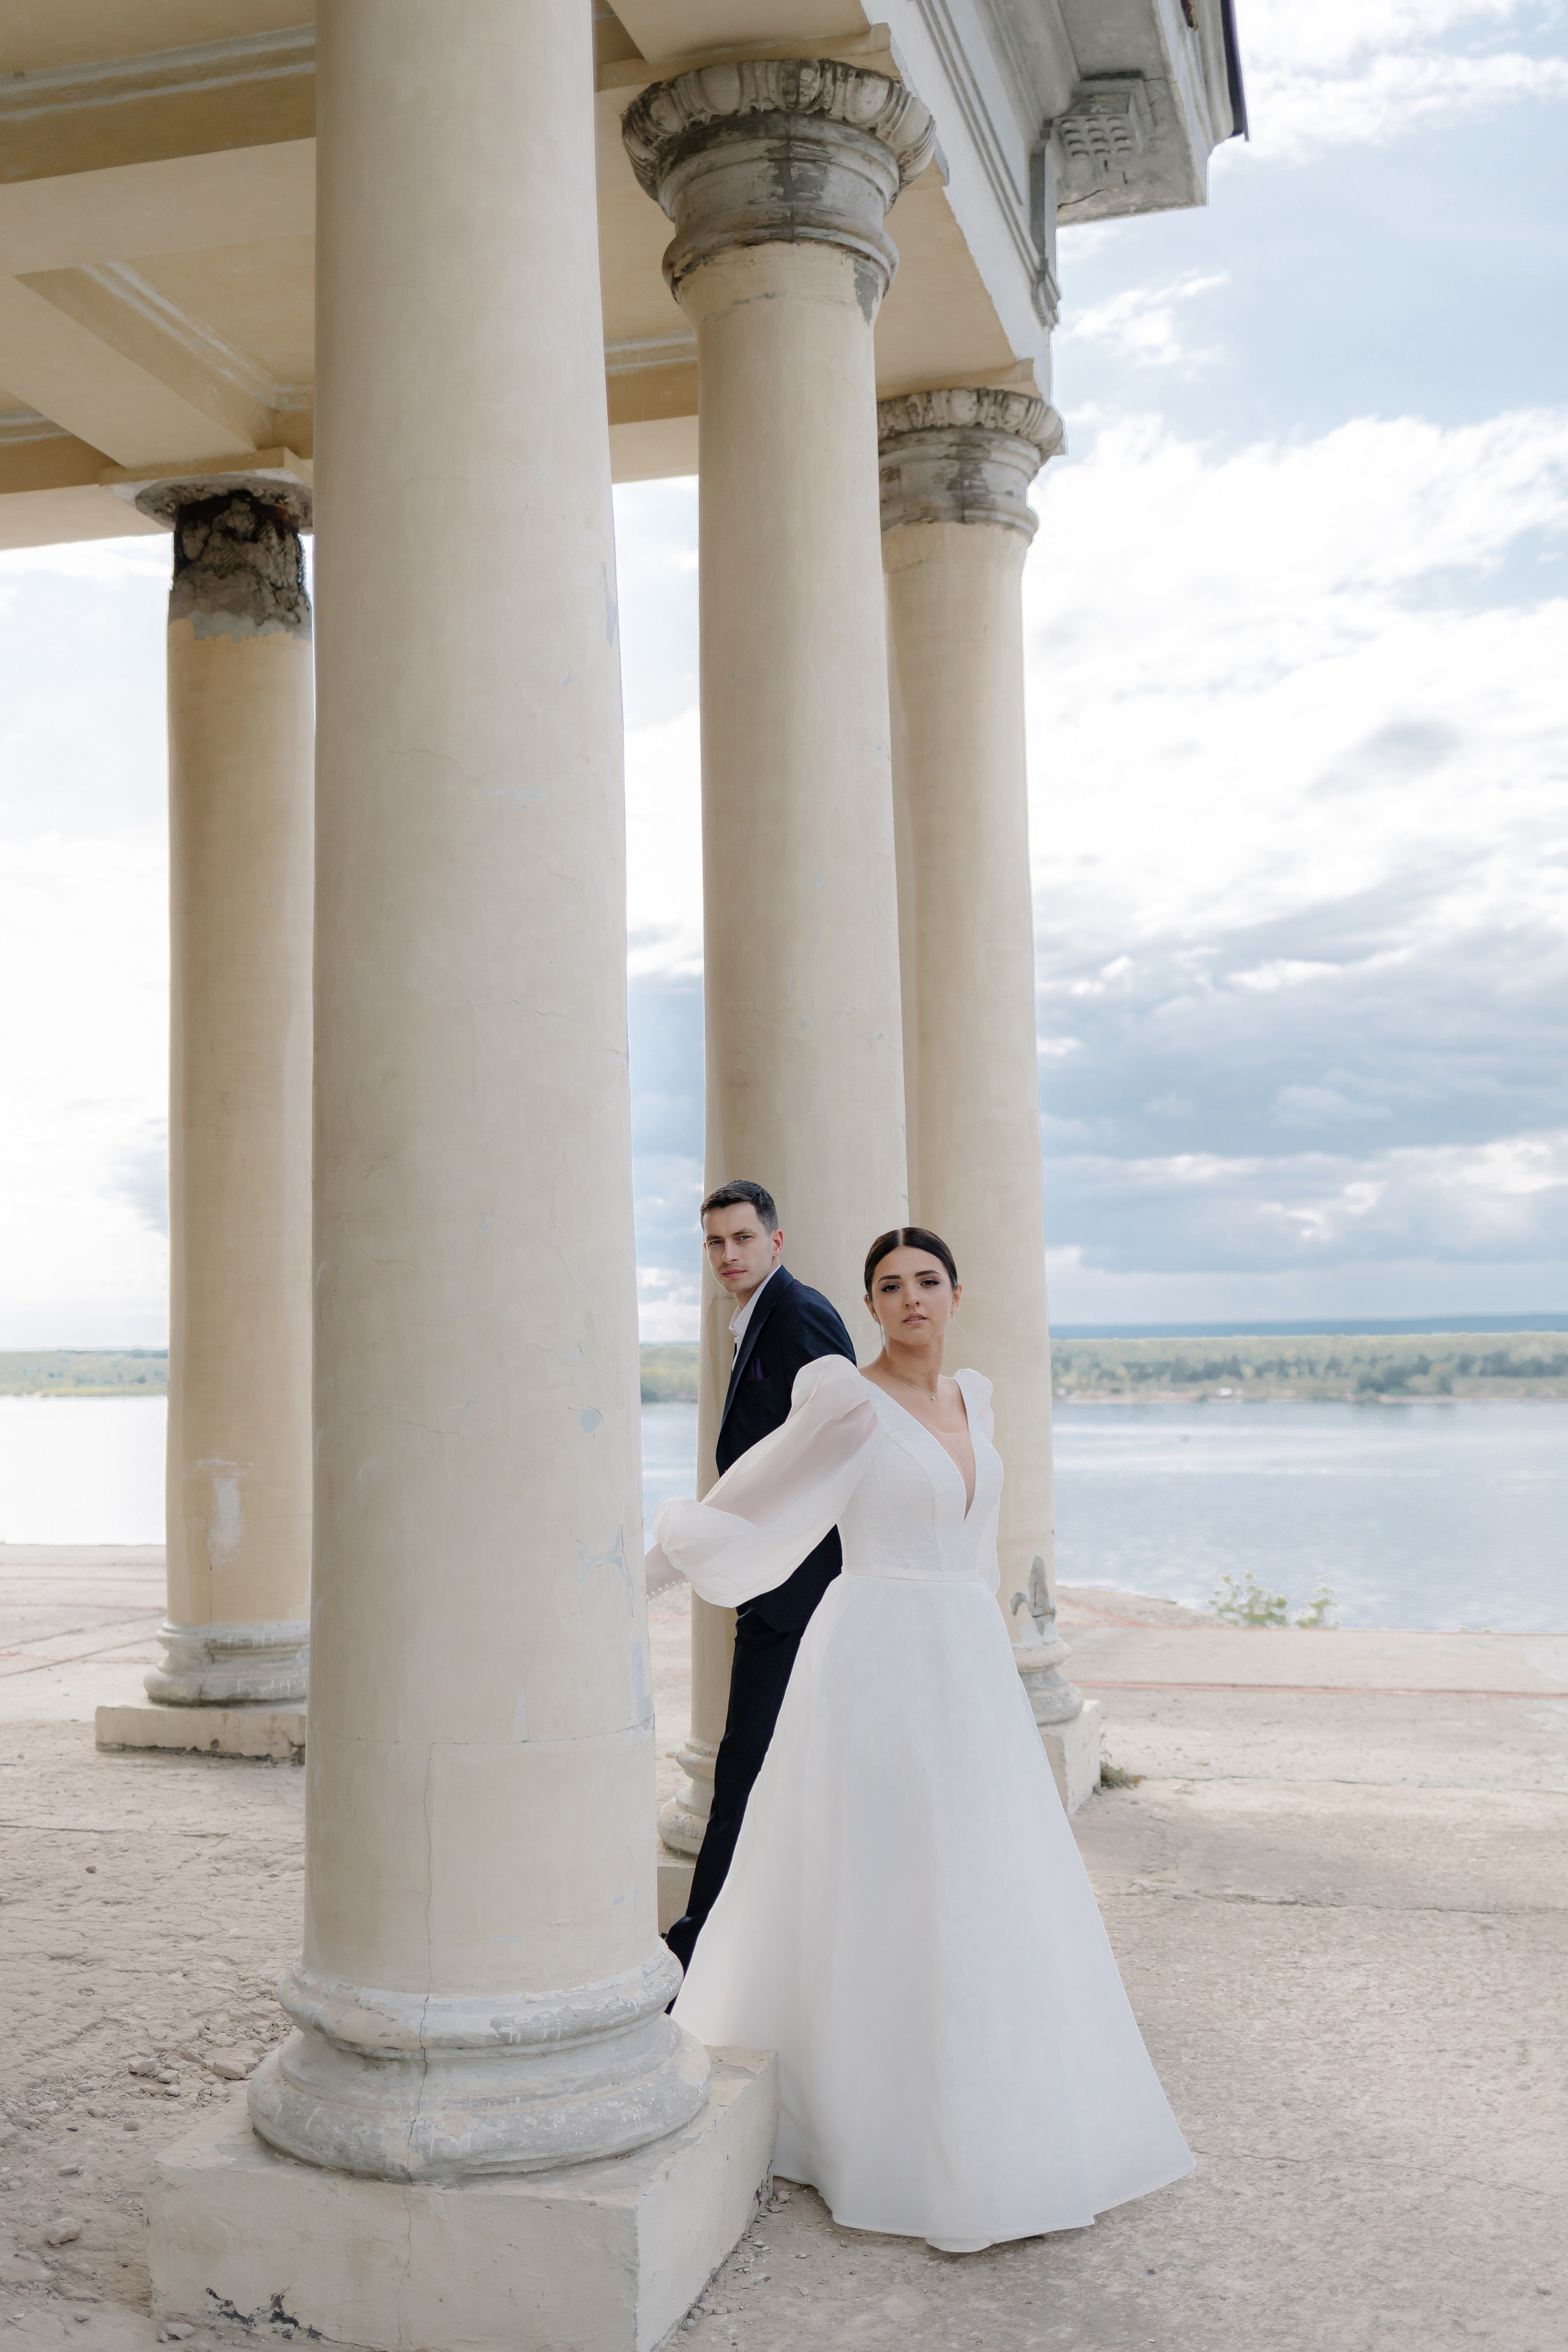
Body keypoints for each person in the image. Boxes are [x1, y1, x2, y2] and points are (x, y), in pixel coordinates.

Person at [646, 1226, 1194, 2254]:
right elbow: (748, 1503)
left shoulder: (974, 1400)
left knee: (984, 1875)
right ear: (870, 1304)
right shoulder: (846, 1401)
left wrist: (987, 1660)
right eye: (889, 1286)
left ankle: (995, 2099)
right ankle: (868, 2121)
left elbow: (978, 1548)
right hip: (874, 1657)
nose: (909, 1300)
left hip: (966, 1660)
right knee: (887, 1873)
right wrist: (639, 1574)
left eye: (927, 1282)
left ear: (954, 1295)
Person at [661, 1180, 856, 1974]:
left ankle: (696, 1951)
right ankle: (743, 1946)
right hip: (781, 1586)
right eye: (715, 1242)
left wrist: (767, 1543)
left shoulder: (799, 1315)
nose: (728, 1254)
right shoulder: (753, 1319)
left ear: (775, 1242)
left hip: (799, 1591)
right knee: (761, 1765)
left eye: (742, 1238)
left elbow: (846, 1439)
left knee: (745, 1765)